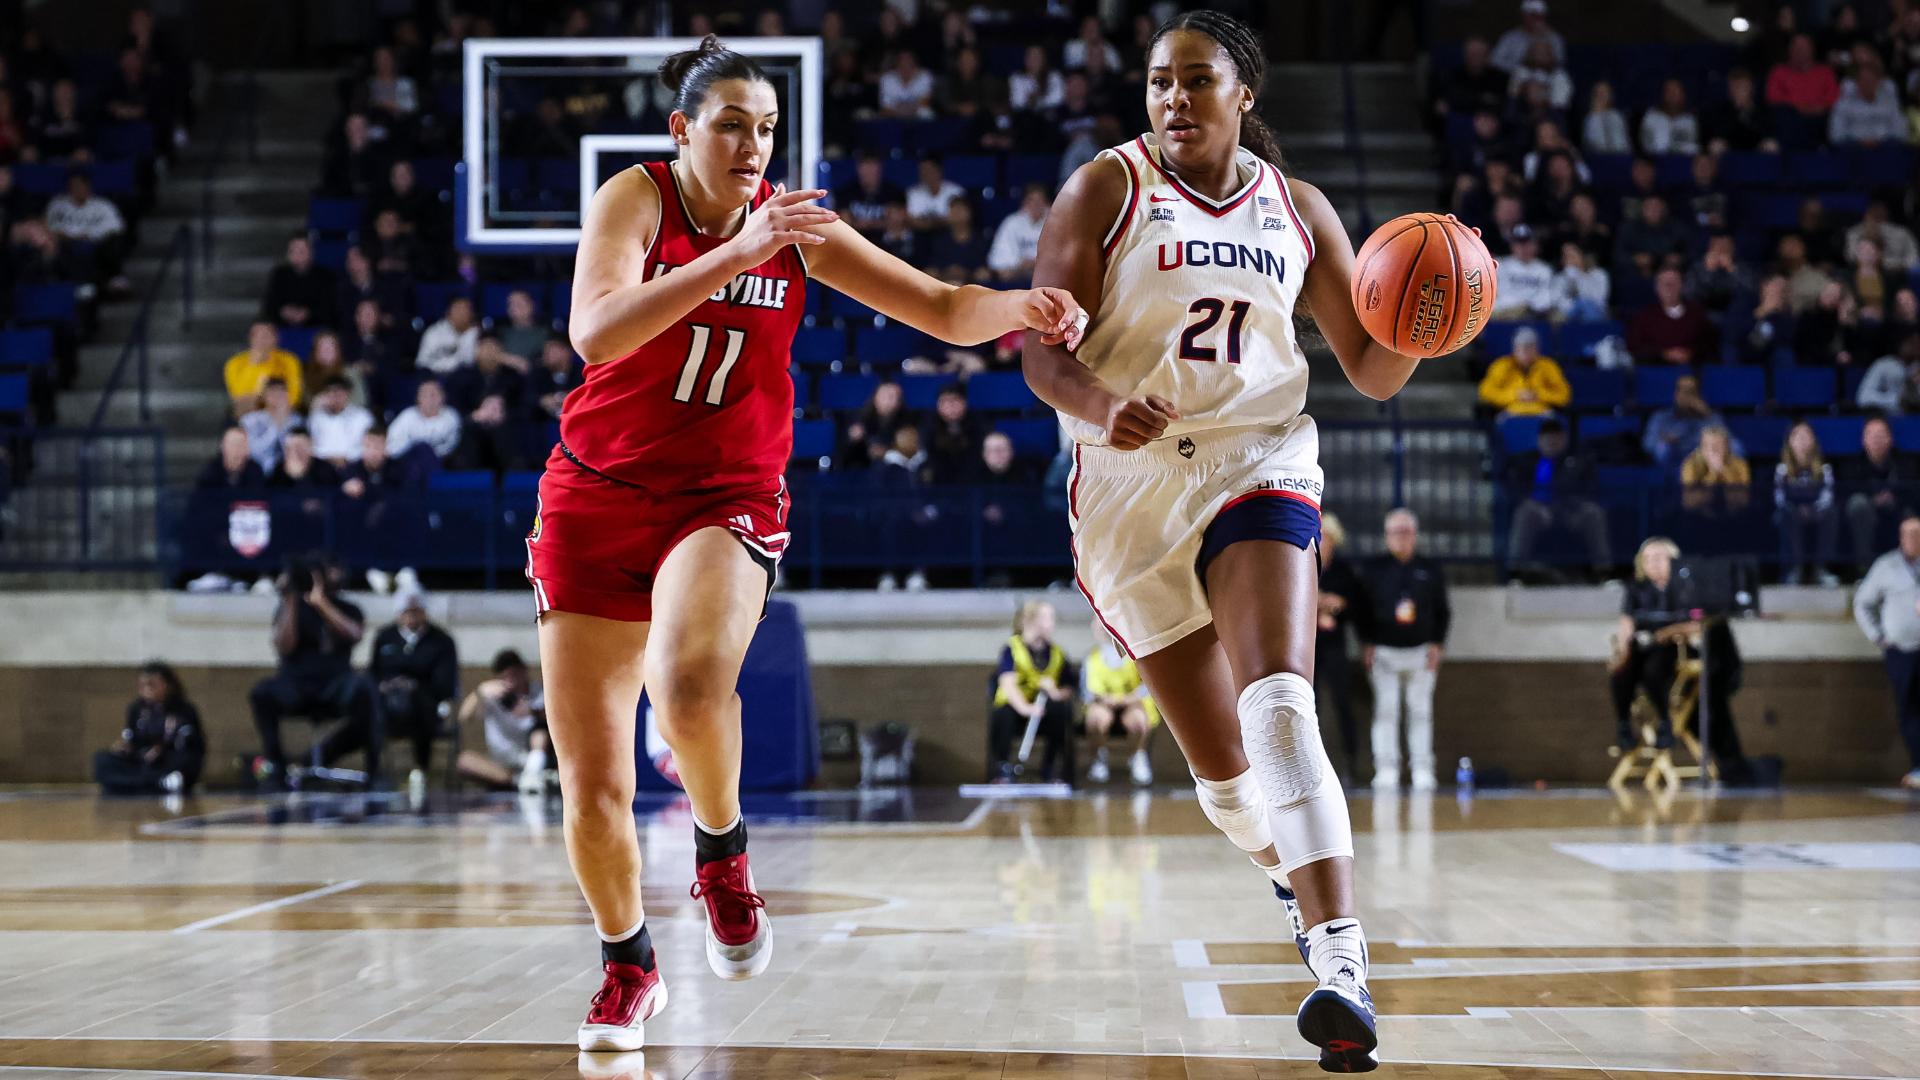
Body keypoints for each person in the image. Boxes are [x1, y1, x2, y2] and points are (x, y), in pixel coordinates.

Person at [531, 36, 1085, 1053]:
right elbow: (597, 333)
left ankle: (721, 851)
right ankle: (628, 967)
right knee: (595, 785)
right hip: (594, 496)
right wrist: (736, 254)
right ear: (682, 131)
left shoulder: (799, 228)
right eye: (732, 124)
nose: (752, 145)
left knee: (690, 687)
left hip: (724, 495)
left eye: (768, 128)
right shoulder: (636, 200)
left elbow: (945, 309)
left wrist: (1025, 308)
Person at [1020, 13, 1400, 1065]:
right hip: (1130, 491)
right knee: (1230, 787)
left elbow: (1369, 367)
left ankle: (1341, 963)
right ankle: (1290, 872)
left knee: (1279, 706)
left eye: (1197, 80)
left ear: (1245, 95)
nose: (1175, 99)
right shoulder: (1106, 188)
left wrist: (1423, 323)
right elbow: (1038, 359)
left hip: (1258, 460)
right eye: (1158, 83)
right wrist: (1098, 404)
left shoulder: (1300, 210)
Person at [247, 555, 373, 791]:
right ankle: (277, 765)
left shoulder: (347, 607)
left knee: (367, 691)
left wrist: (321, 603)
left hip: (335, 686)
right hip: (296, 685)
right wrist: (291, 600)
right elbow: (283, 645)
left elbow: (354, 634)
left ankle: (374, 770)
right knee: (261, 693)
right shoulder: (287, 607)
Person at [1354, 508, 1450, 795]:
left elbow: (1443, 610)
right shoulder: (1374, 569)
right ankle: (1386, 769)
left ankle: (1422, 768)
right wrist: (1366, 643)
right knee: (1386, 711)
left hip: (1420, 652)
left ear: (1415, 535)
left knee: (1420, 711)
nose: (1401, 538)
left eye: (1406, 532)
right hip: (1384, 652)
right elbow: (1362, 611)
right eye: (1396, 532)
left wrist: (1437, 644)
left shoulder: (1430, 569)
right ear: (1386, 536)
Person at [360, 588, 460, 796]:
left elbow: (444, 683)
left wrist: (411, 685)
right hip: (388, 707)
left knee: (419, 705)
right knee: (368, 709)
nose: (412, 616)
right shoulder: (384, 637)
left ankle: (421, 768)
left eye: (416, 610)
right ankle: (373, 772)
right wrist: (389, 686)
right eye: (407, 611)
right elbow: (373, 676)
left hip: (425, 708)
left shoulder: (441, 641)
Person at [1853, 513, 1920, 788]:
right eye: (1909, 534)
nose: (1914, 539)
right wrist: (1878, 637)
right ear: (1901, 537)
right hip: (1901, 650)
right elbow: (1862, 603)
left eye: (1918, 534)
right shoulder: (1886, 566)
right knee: (1909, 708)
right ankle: (1918, 765)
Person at [1505, 417, 1610, 578]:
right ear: (1539, 440)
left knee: (1594, 513)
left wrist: (1566, 503)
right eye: (1547, 438)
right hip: (1539, 511)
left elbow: (1590, 490)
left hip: (1572, 511)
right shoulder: (1526, 460)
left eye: (1556, 438)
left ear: (1565, 439)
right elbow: (1517, 490)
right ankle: (1516, 571)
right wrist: (1537, 505)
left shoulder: (1579, 460)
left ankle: (1603, 571)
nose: (1551, 441)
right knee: (1524, 512)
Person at [987, 600, 1077, 783]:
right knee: (1002, 714)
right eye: (1048, 617)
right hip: (1017, 710)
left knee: (1061, 711)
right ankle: (1002, 768)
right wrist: (1025, 708)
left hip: (1043, 713)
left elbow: (1069, 688)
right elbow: (1007, 683)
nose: (1053, 622)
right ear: (1031, 621)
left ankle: (1049, 767)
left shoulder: (1057, 653)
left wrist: (1055, 693)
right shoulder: (1012, 649)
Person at [93, 661, 205, 795]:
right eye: (142, 685)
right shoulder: (136, 709)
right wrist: (126, 748)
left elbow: (191, 743)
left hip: (168, 759)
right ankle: (157, 782)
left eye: (152, 685)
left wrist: (161, 749)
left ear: (167, 685)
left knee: (186, 760)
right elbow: (131, 738)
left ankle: (143, 781)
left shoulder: (183, 710)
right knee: (102, 760)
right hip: (143, 760)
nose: (146, 689)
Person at [456, 648, 552, 794]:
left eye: (514, 675)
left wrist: (530, 712)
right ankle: (519, 781)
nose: (510, 681)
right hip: (501, 761)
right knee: (465, 760)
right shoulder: (492, 696)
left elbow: (555, 718)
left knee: (540, 734)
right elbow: (464, 716)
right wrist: (480, 691)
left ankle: (531, 774)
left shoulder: (538, 691)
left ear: (523, 672)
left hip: (530, 756)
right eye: (505, 677)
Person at [1314, 512, 1363, 782]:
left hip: (1335, 646)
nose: (1322, 542)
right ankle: (1312, 770)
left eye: (1327, 538)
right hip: (1308, 647)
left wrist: (1335, 606)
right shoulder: (1303, 563)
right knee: (1311, 705)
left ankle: (1350, 764)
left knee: (1343, 703)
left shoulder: (1344, 571)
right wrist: (1323, 602)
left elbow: (1350, 605)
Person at [1081, 619, 1157, 786]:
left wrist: (1127, 699)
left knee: (1138, 720)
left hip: (1132, 703)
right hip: (1104, 704)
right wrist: (1107, 700)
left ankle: (1138, 756)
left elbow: (1147, 686)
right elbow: (1089, 691)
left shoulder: (1135, 654)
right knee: (1096, 718)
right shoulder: (1092, 658)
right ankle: (1099, 757)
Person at [1774, 420, 1840, 585]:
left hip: (1818, 513)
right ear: (1790, 442)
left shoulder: (1824, 469)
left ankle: (1821, 568)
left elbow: (1828, 496)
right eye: (1798, 437)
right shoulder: (1782, 470)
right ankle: (1794, 569)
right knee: (1786, 516)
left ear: (1814, 441)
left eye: (1806, 436)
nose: (1803, 441)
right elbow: (1779, 498)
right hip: (1792, 512)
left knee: (1831, 513)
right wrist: (1797, 509)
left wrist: (1813, 509)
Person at [1847, 417, 1914, 573]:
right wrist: (1873, 501)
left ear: (1890, 439)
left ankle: (1911, 570)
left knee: (1911, 517)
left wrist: (1895, 499)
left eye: (1881, 434)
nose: (1876, 439)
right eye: (1872, 435)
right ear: (1864, 440)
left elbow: (1914, 494)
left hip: (1898, 512)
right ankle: (1864, 568)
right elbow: (1846, 496)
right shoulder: (1853, 465)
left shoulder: (1906, 464)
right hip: (1867, 517)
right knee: (1858, 505)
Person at [1477, 327, 1568, 418]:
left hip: (1542, 411)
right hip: (1511, 411)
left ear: (1537, 348)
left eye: (1529, 347)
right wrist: (1515, 395)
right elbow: (1486, 393)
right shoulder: (1501, 365)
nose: (1525, 351)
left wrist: (1538, 395)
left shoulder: (1548, 366)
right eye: (1522, 347)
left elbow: (1564, 395)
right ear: (1515, 348)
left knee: (1553, 422)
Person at [260, 232, 338, 330]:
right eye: (293, 251)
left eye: (301, 251)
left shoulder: (325, 276)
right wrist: (283, 312)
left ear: (311, 253)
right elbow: (269, 306)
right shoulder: (279, 274)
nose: (297, 255)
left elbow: (330, 309)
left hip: (316, 331)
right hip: (282, 328)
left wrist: (308, 314)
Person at [224, 322, 305, 412]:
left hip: (281, 411)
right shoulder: (235, 363)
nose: (261, 340)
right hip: (248, 411)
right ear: (250, 339)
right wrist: (254, 365)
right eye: (256, 336)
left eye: (266, 335)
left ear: (276, 338)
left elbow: (294, 395)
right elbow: (238, 396)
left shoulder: (289, 360)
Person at [386, 378, 462, 465]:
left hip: (443, 462)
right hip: (409, 463)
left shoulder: (451, 416)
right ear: (418, 398)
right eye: (425, 395)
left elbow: (452, 446)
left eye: (433, 395)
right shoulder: (407, 416)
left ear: (443, 397)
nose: (429, 399)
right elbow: (392, 444)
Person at [987, 184, 1050, 283]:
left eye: (1040, 200)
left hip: (1046, 272)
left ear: (1047, 203)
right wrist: (1019, 263)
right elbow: (997, 258)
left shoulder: (1055, 222)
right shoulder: (1012, 222)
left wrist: (1037, 263)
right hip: (1018, 272)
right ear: (1025, 202)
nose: (1036, 204)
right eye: (1031, 200)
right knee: (1005, 274)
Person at [307, 377, 374, 468]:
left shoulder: (362, 416)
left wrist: (346, 458)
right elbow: (310, 446)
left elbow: (369, 445)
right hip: (322, 466)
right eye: (331, 392)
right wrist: (329, 458)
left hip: (355, 465)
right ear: (325, 395)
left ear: (348, 393)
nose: (335, 397)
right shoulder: (316, 418)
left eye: (339, 392)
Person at [1490, 224, 1554, 320]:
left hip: (1534, 318)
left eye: (1527, 242)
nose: (1523, 247)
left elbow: (1546, 301)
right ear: (1512, 245)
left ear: (1535, 245)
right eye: (1519, 243)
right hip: (1504, 317)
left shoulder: (1544, 270)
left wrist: (1526, 308)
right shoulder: (1500, 265)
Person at [240, 379, 302, 474]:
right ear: (264, 395)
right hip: (259, 471)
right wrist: (276, 426)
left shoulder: (297, 420)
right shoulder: (250, 420)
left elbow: (298, 452)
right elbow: (253, 452)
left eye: (282, 391)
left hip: (289, 474)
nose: (277, 396)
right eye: (273, 391)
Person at [1491, 0, 1566, 73]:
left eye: (1540, 16)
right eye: (1533, 15)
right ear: (1524, 15)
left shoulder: (1554, 37)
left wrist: (1542, 38)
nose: (1537, 20)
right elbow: (1495, 61)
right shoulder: (1510, 37)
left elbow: (1560, 62)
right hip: (1513, 77)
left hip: (1547, 78)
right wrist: (1519, 69)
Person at [415, 296, 479, 376]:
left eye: (466, 309)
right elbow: (422, 363)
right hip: (436, 377)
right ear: (448, 312)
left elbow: (471, 362)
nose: (463, 313)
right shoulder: (434, 332)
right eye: (458, 309)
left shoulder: (476, 333)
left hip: (467, 378)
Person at [1639, 79, 1701, 155]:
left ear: (1683, 95)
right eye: (1669, 91)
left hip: (1683, 162)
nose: (1672, 95)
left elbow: (1692, 147)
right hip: (1655, 161)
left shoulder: (1690, 120)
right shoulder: (1651, 116)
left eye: (1676, 91)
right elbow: (1645, 146)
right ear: (1663, 94)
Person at [195, 426, 265, 490]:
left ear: (248, 449)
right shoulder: (210, 472)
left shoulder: (255, 470)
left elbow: (259, 498)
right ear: (222, 447)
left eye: (241, 445)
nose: (236, 450)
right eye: (232, 444)